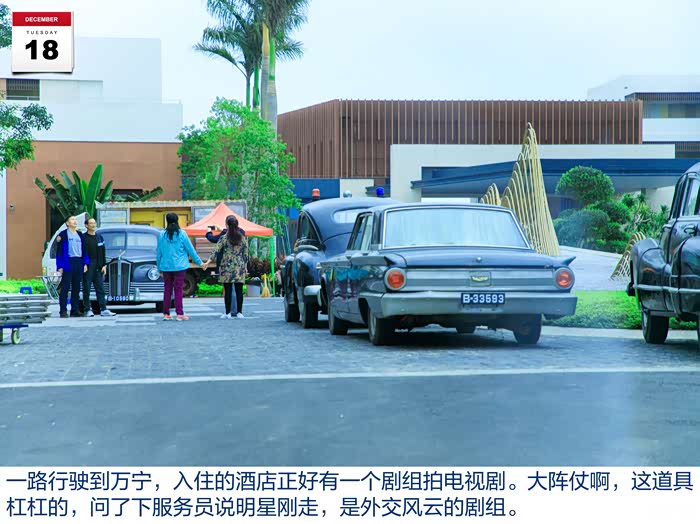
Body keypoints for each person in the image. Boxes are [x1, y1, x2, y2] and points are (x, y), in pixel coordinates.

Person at [156, 213, 205, 321]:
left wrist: (159, 268)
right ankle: (179, 313)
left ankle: (166, 314)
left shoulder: (162, 235)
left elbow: (159, 253)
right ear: (177, 220)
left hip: (166, 267)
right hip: (180, 267)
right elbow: (190, 250)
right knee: (178, 290)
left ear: (167, 221)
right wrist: (200, 263)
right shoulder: (182, 234)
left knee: (167, 290)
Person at [204, 216, 249, 318]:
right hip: (239, 267)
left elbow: (216, 251)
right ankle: (240, 312)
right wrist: (245, 266)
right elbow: (246, 255)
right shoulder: (242, 238)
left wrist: (208, 262)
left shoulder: (224, 238)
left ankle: (227, 313)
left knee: (227, 291)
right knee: (239, 291)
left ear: (227, 225)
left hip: (226, 267)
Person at [56, 216, 89, 318]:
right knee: (65, 288)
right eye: (72, 220)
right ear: (67, 223)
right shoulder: (63, 235)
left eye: (75, 220)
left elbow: (84, 250)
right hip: (68, 262)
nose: (75, 221)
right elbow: (59, 252)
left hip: (78, 262)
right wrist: (60, 266)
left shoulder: (80, 234)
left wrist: (85, 263)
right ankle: (63, 311)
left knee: (76, 288)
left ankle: (75, 310)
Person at [82, 217, 116, 317]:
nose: (93, 225)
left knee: (100, 288)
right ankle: (87, 310)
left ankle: (104, 309)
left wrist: (104, 265)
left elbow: (103, 252)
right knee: (87, 288)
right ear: (86, 225)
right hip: (88, 265)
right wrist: (84, 264)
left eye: (94, 223)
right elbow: (82, 252)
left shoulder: (99, 237)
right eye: (91, 223)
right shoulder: (83, 238)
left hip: (98, 266)